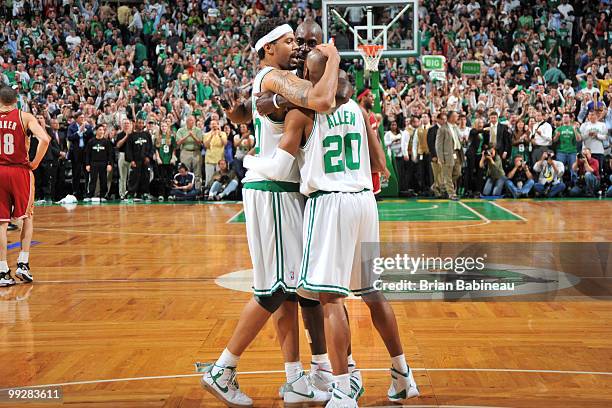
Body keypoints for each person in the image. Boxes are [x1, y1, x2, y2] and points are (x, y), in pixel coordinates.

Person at [244, 49, 419, 407]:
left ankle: (342, 388)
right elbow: (381, 164)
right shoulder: (358, 110)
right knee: (371, 292)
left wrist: (250, 162)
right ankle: (402, 375)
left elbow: (279, 169)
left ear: (312, 75)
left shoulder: (304, 110)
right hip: (364, 203)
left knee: (329, 298)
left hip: (330, 203)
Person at [200, 18, 339, 408]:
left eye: (298, 40)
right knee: (273, 289)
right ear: (266, 49)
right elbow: (320, 98)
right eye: (289, 41)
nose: (296, 46)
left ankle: (295, 377)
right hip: (272, 189)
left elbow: (252, 110)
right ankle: (222, 369)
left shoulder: (272, 80)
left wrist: (245, 112)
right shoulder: (273, 77)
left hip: (284, 190)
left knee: (292, 290)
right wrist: (332, 61)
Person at [0, 85, 50, 286]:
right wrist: (36, 163)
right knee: (27, 216)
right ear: (16, 101)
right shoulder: (25, 117)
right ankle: (23, 263)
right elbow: (45, 139)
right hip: (20, 171)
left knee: (2, 223)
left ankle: (2, 270)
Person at [67, 112, 93, 199]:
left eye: (83, 117)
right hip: (76, 153)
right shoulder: (71, 127)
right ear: (76, 118)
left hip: (86, 152)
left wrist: (85, 132)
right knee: (76, 173)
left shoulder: (88, 126)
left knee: (87, 173)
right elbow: (70, 137)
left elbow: (91, 137)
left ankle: (87, 192)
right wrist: (79, 132)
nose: (82, 119)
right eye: (81, 117)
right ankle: (75, 192)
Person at [125, 118, 153, 200]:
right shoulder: (131, 136)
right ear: (136, 124)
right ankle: (131, 192)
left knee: (145, 177)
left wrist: (148, 157)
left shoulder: (147, 135)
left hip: (145, 160)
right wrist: (131, 160)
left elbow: (151, 147)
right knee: (134, 177)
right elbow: (128, 149)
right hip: (136, 160)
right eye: (139, 123)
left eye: (142, 123)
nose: (140, 124)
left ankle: (143, 193)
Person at [436, 111, 460, 200]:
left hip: (457, 153)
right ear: (451, 118)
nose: (457, 118)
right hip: (447, 155)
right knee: (448, 175)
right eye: (456, 116)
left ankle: (439, 186)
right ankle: (451, 194)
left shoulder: (455, 127)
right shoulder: (442, 129)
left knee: (457, 173)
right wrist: (440, 157)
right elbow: (438, 145)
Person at [85, 124, 113, 201]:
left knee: (103, 180)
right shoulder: (91, 141)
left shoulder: (107, 142)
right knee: (92, 180)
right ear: (96, 131)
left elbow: (110, 155)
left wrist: (109, 164)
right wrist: (87, 164)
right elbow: (87, 154)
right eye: (100, 130)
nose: (101, 131)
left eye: (103, 130)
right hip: (93, 163)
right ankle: (90, 195)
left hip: (103, 163)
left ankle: (103, 195)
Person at [176, 116, 204, 189]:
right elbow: (178, 142)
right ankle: (185, 190)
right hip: (185, 152)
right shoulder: (181, 130)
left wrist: (193, 136)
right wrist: (187, 135)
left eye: (192, 120)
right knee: (184, 172)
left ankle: (197, 190)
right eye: (190, 120)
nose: (191, 122)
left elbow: (200, 143)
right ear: (186, 122)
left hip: (196, 152)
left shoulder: (198, 130)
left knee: (197, 172)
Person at [153, 121, 177, 201]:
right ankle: (161, 194)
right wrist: (158, 158)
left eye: (165, 126)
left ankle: (169, 194)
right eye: (162, 126)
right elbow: (156, 149)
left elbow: (174, 148)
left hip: (169, 160)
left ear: (168, 127)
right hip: (161, 160)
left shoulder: (171, 137)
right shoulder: (157, 137)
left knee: (169, 178)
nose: (163, 128)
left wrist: (173, 157)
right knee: (161, 178)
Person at [203, 119, 227, 188]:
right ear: (210, 126)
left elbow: (225, 143)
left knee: (219, 177)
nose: (214, 126)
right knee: (209, 177)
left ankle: (218, 192)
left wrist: (219, 134)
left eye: (215, 124)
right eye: (212, 124)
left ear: (218, 125)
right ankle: (207, 191)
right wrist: (211, 136)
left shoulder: (223, 134)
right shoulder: (206, 134)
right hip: (209, 159)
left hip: (220, 159)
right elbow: (206, 146)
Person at [115, 119, 133, 200]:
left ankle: (130, 193)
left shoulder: (133, 134)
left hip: (132, 156)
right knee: (122, 176)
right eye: (125, 123)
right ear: (122, 125)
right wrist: (126, 136)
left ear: (130, 124)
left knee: (131, 176)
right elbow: (118, 145)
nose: (126, 125)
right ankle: (122, 193)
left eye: (128, 123)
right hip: (122, 155)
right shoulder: (120, 134)